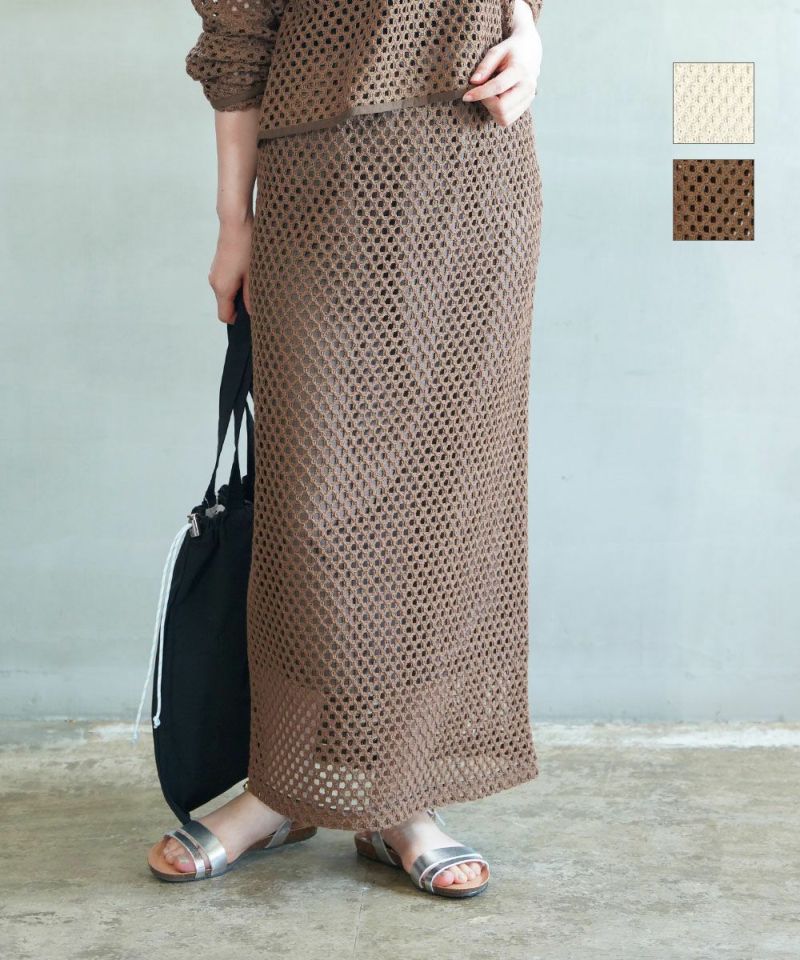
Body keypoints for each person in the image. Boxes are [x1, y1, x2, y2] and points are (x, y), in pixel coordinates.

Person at [147, 0, 544, 899]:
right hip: (324, 189)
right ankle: (282, 788)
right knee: (314, 512)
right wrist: (234, 221)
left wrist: (529, 35)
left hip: (477, 183)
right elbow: (238, 41)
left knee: (445, 507)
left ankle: (399, 800)